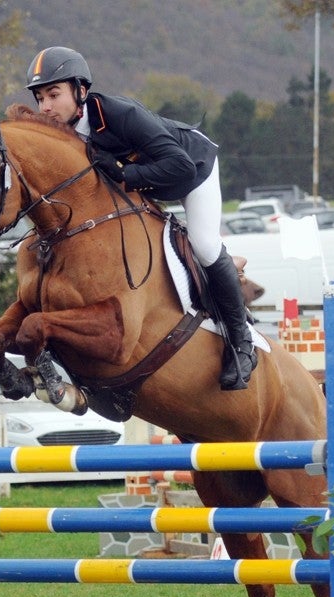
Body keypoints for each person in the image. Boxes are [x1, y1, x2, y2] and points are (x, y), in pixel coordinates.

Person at [24, 46, 256, 390]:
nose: (45, 107)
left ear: (81, 90)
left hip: (193, 170)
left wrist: (123, 174)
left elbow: (180, 166)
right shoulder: (64, 133)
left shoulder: (120, 115)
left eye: (54, 95)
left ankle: (241, 341)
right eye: (40, 97)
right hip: (147, 181)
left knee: (204, 244)